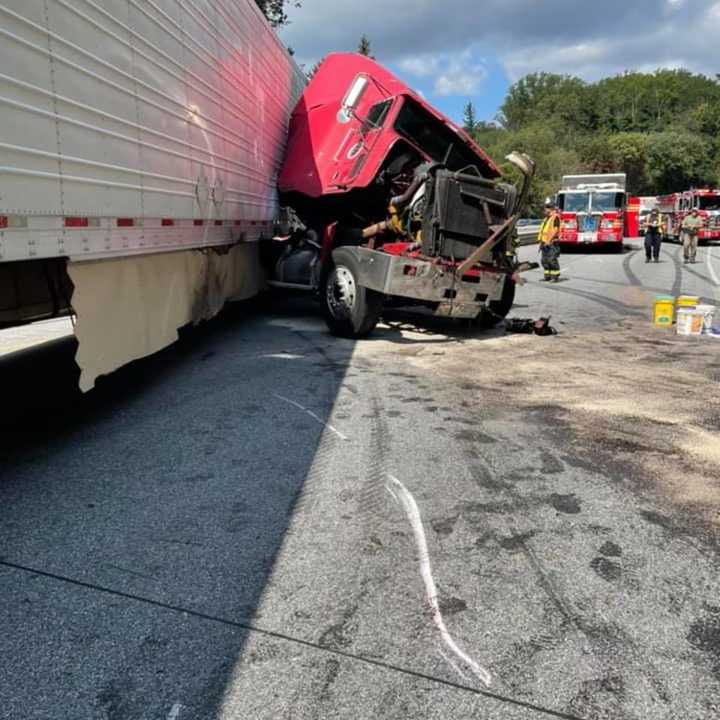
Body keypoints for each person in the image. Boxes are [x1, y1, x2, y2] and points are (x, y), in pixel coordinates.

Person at [538, 202, 561, 282]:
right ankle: (547, 276)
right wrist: (541, 242)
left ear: (550, 209)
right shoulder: (546, 219)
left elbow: (555, 230)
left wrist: (548, 241)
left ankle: (555, 277)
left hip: (552, 242)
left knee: (551, 259)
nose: (544, 211)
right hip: (544, 242)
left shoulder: (555, 218)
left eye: (545, 209)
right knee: (544, 260)